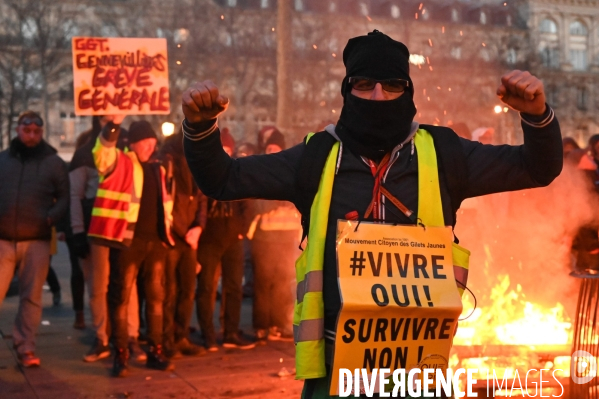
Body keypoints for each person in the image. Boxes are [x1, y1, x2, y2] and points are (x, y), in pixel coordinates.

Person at [181, 30, 562, 398]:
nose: (378, 96)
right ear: (347, 91)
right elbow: (223, 180)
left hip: (418, 369)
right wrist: (200, 128)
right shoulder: (315, 157)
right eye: (364, 84)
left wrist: (537, 116)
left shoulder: (445, 153)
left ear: (407, 91)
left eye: (392, 85)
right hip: (337, 367)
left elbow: (537, 167)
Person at [92, 118, 175, 377]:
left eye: (153, 143)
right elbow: (102, 155)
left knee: (156, 300)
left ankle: (155, 350)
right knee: (120, 298)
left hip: (156, 243)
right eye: (146, 143)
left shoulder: (158, 169)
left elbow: (166, 206)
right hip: (128, 242)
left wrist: (166, 235)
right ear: (135, 143)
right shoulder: (121, 161)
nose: (151, 147)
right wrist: (112, 127)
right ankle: (122, 354)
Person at [70, 116, 142, 363]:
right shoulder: (85, 153)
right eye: (103, 117)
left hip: (124, 232)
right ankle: (102, 337)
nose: (108, 120)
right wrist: (77, 231)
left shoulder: (129, 150)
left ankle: (130, 336)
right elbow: (74, 195)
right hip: (98, 230)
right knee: (98, 287)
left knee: (126, 287)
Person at [0, 111, 69, 367]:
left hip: (37, 239)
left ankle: (25, 345)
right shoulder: (3, 161)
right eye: (26, 130)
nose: (31, 136)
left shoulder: (53, 163)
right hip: (4, 238)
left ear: (41, 133)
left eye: (36, 132)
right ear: (18, 130)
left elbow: (64, 196)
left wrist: (50, 217)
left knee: (31, 297)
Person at [195, 129, 255, 351]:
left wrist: (241, 230)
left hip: (233, 239)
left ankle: (230, 332)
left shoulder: (236, 173)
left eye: (227, 150)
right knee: (207, 288)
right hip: (209, 240)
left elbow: (247, 205)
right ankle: (208, 334)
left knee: (233, 287)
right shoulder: (203, 172)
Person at [248, 129, 300, 343]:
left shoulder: (292, 171)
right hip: (265, 236)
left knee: (283, 282)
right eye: (269, 149)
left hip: (287, 235)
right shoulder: (259, 171)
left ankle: (279, 323)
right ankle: (262, 325)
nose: (272, 153)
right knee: (263, 283)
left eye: (276, 149)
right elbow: (255, 202)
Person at [159, 130, 207, 359]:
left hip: (190, 238)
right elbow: (166, 201)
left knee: (187, 290)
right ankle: (166, 339)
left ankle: (181, 336)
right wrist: (182, 231)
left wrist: (198, 227)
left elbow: (201, 198)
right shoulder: (167, 164)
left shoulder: (195, 165)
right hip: (172, 239)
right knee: (169, 291)